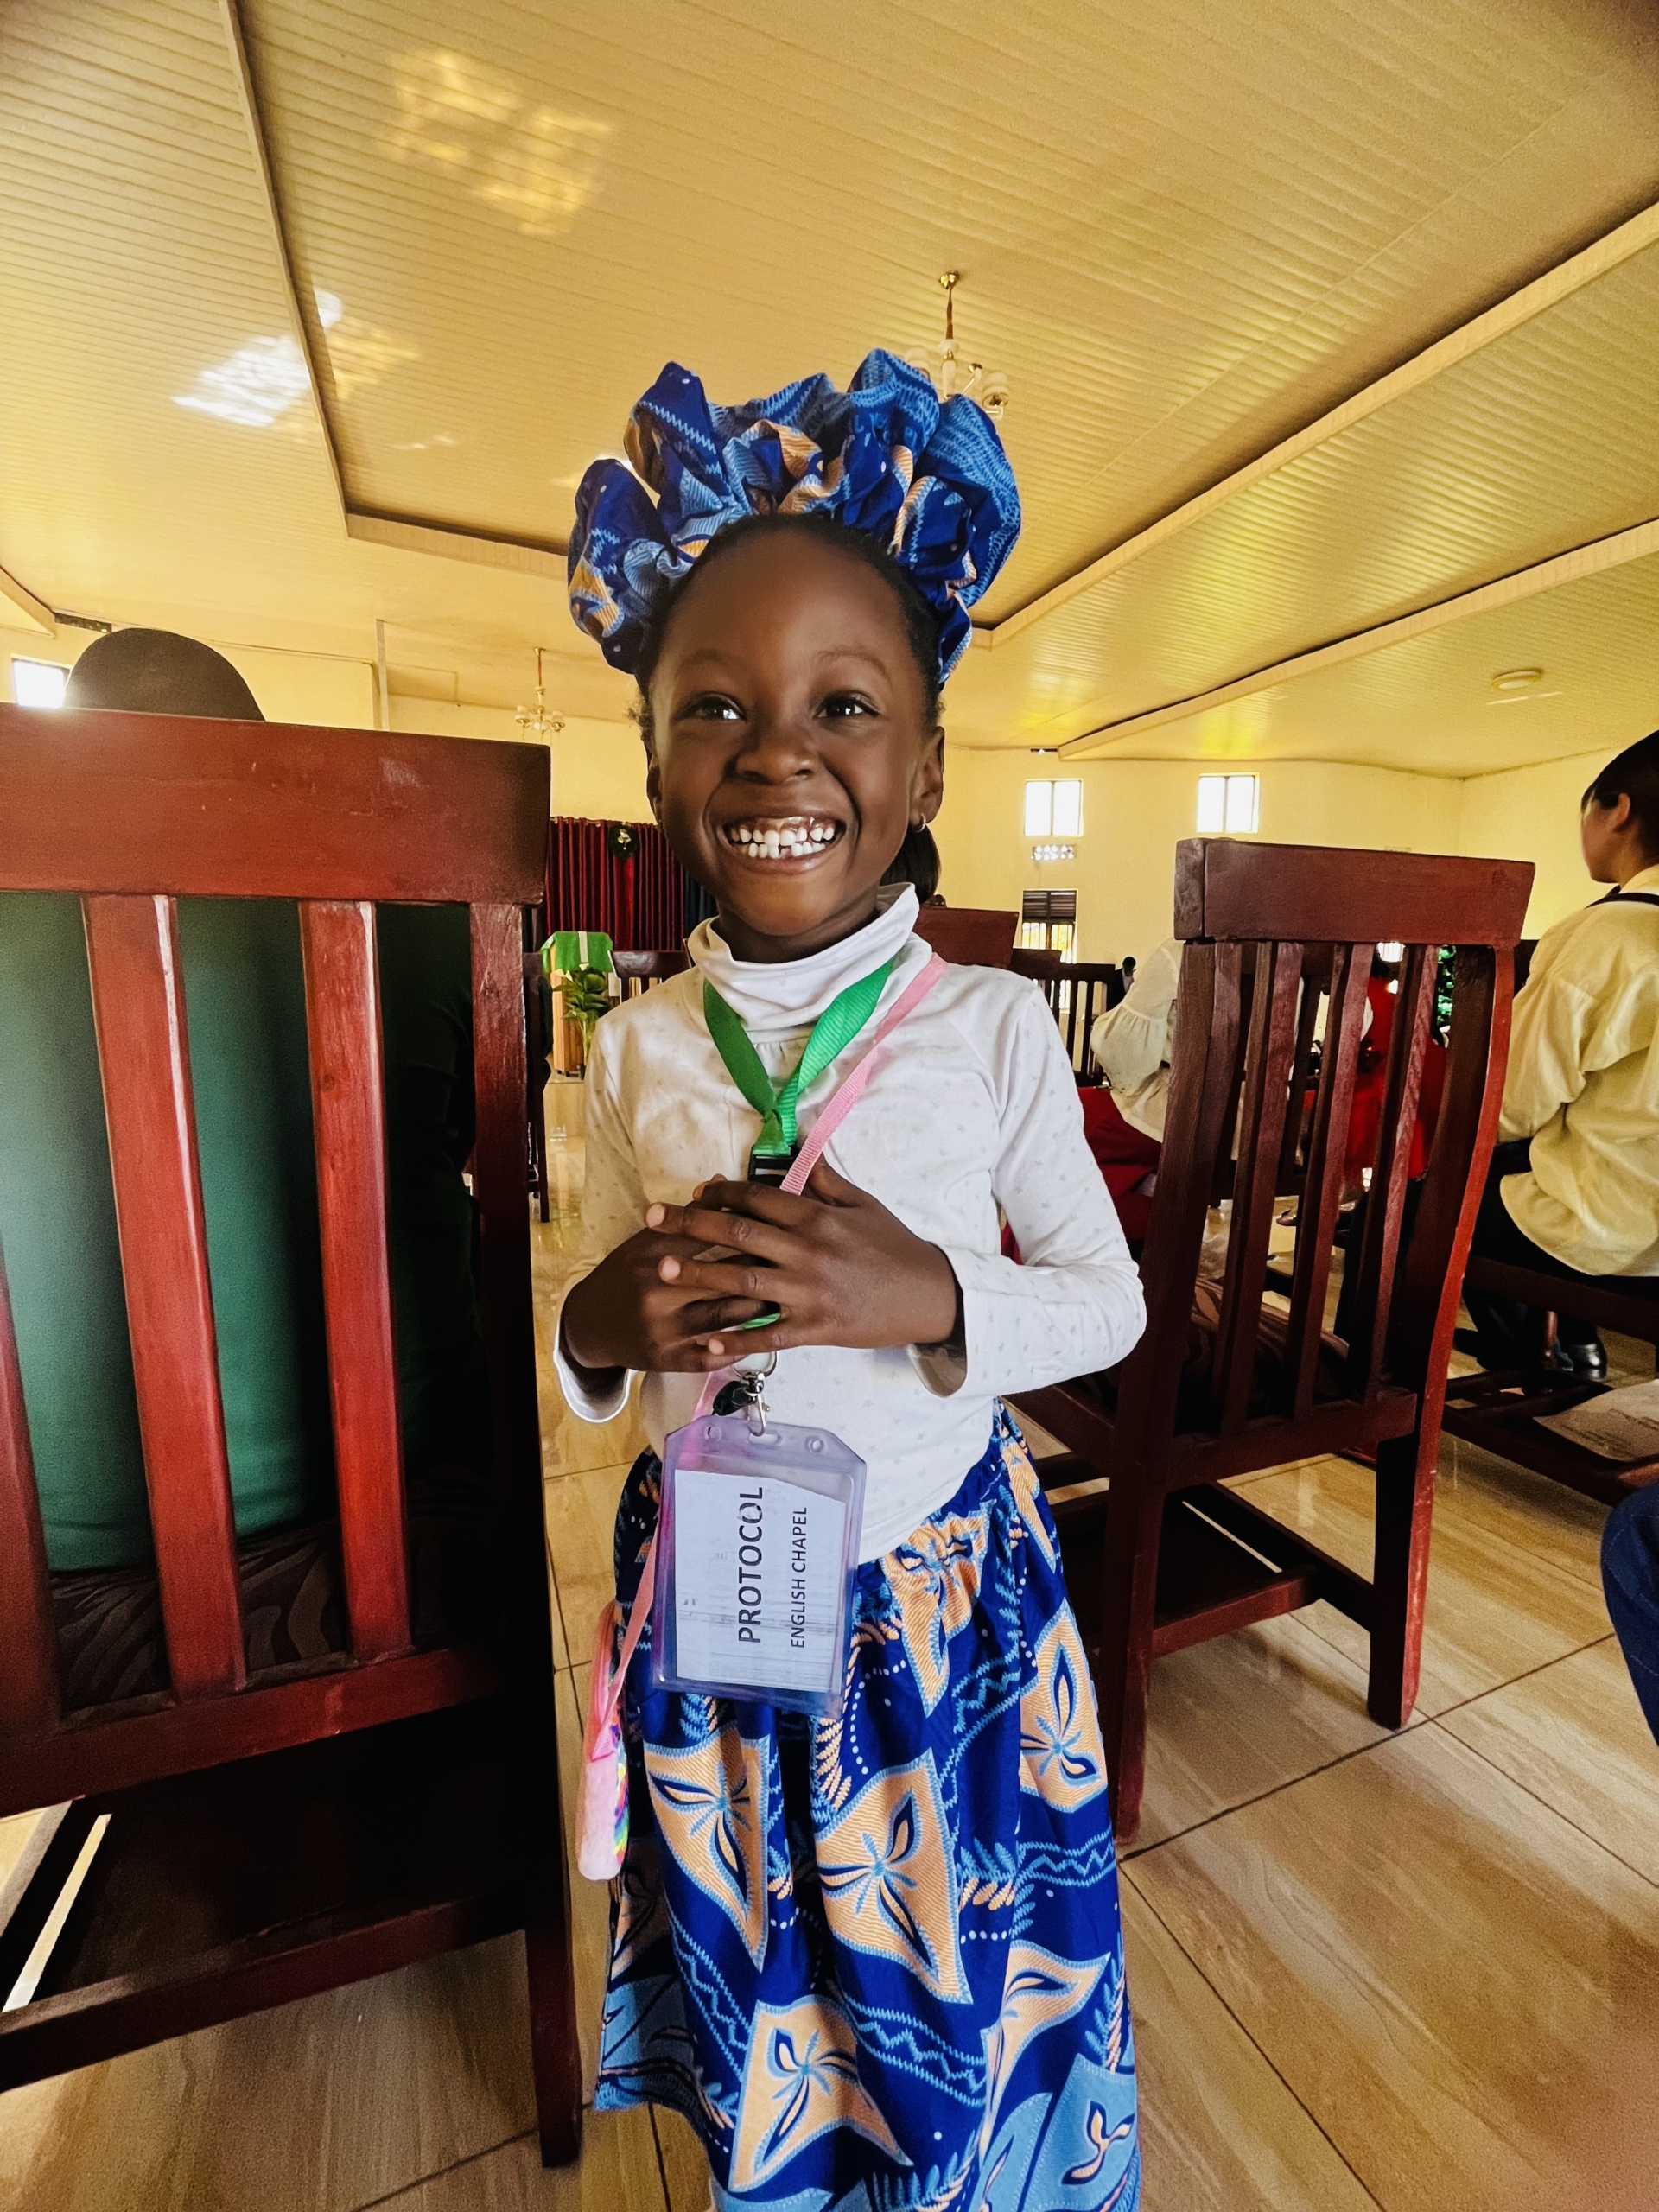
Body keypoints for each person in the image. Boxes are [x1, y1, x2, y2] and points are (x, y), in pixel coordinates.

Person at [557, 354, 1146, 2210]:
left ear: (926, 765)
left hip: (935, 1615)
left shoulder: (992, 1028)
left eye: (845, 704)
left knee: (940, 1994)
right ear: (656, 765)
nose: (776, 750)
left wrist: (936, 1295)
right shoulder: (636, 1046)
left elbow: (1110, 1299)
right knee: (767, 1988)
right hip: (719, 1603)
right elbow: (581, 1309)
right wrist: (602, 1324)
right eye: (713, 707)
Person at [0, 628, 484, 1575]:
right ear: (262, 766)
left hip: (51, 1557)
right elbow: (466, 1146)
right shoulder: (415, 923)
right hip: (412, 1483)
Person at [1463, 730, 1659, 1377]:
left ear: (1618, 810)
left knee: (1406, 1215)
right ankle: (1575, 1348)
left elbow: (1507, 1105)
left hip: (1615, 1230)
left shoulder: (1607, 933)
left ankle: (1359, 1394)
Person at [1087, 937, 1179, 1241]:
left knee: (1054, 1121)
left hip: (1180, 1118)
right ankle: (1151, 1211)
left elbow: (1122, 1054)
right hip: (1262, 1128)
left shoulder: (1181, 952)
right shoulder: (1300, 949)